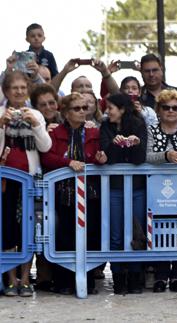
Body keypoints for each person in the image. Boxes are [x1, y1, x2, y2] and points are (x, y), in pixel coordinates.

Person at [40, 92, 107, 295]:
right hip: (63, 194)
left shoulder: (94, 132)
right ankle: (63, 281)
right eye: (76, 108)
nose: (81, 112)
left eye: (84, 108)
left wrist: (101, 158)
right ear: (65, 112)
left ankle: (87, 281)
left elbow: (100, 155)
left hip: (91, 193)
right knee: (64, 235)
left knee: (92, 234)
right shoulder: (54, 133)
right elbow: (47, 157)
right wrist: (67, 163)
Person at [0, 71, 52, 297]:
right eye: (14, 88)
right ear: (6, 92)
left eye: (23, 88)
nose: (19, 92)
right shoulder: (0, 114)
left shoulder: (36, 114)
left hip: (29, 180)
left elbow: (46, 147)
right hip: (5, 180)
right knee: (8, 228)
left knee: (27, 230)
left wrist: (37, 126)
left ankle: (25, 277)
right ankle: (11, 279)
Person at [99, 93, 148, 294]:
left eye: (111, 107)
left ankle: (136, 277)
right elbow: (106, 157)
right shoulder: (105, 127)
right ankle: (118, 277)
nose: (107, 111)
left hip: (137, 187)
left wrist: (135, 144)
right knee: (116, 234)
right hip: (114, 188)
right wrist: (115, 144)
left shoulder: (138, 124)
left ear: (122, 109)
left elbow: (140, 158)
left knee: (138, 232)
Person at [146, 89, 177, 293]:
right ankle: (161, 275)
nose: (171, 111)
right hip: (158, 190)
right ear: (158, 110)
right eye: (166, 107)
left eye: (175, 107)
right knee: (160, 229)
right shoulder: (151, 130)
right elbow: (147, 156)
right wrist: (167, 155)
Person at [50, 58, 119, 95]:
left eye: (88, 86)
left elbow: (117, 94)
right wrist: (64, 71)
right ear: (72, 91)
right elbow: (49, 92)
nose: (84, 89)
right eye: (80, 86)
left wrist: (105, 72)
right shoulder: (65, 104)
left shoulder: (99, 105)